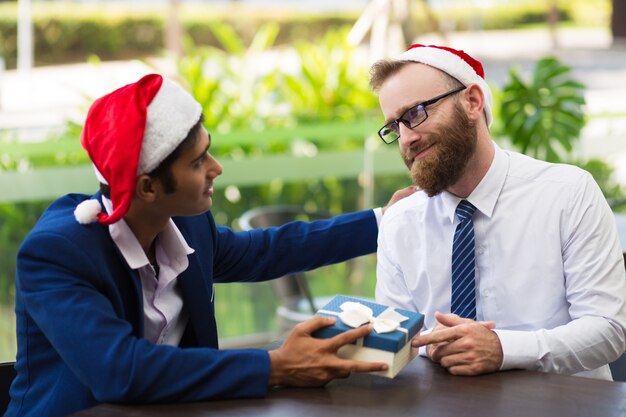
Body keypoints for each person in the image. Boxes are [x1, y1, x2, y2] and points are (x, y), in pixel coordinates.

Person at [6, 74, 415, 417]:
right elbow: (121, 370)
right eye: (198, 161)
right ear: (148, 187)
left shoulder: (188, 223)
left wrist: (382, 221)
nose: (216, 168)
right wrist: (276, 365)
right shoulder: (57, 254)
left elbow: (264, 251)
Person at [370, 44, 626, 380]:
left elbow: (608, 330)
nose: (406, 138)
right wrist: (418, 347)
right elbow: (398, 346)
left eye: (415, 113)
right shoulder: (400, 224)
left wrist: (502, 349)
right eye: (394, 127)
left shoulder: (568, 194)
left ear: (472, 102)